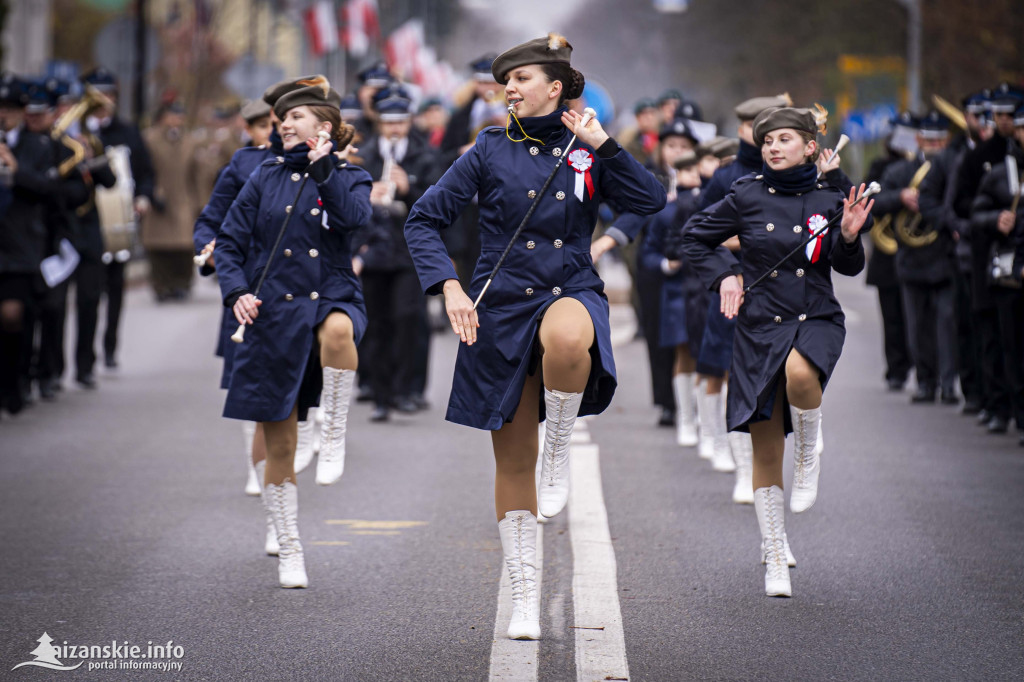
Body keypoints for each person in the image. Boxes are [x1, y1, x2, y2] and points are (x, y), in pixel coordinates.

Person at [404, 33, 665, 639]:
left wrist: (605, 146)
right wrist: (449, 286)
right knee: (512, 458)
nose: (510, 89)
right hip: (499, 305)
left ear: (555, 87)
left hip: (568, 285)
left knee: (570, 339)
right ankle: (524, 593)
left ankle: (561, 446)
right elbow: (424, 219)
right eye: (507, 81)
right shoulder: (488, 148)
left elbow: (651, 200)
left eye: (521, 79)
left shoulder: (588, 148)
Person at [681, 107, 873, 597]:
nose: (772, 147)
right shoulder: (746, 194)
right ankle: (773, 551)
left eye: (784, 138)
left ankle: (808, 454)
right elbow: (694, 237)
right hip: (761, 324)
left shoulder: (830, 197)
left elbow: (847, 267)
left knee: (801, 376)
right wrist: (726, 275)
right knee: (764, 445)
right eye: (767, 140)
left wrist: (850, 236)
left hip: (816, 316)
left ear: (810, 146)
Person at [215, 76, 372, 588]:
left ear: (323, 126)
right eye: (281, 119)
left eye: (295, 117)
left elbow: (354, 220)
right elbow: (230, 243)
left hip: (330, 295)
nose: (283, 124)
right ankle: (289, 547)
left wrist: (324, 168)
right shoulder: (263, 175)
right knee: (279, 444)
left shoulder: (350, 175)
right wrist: (237, 292)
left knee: (339, 332)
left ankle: (334, 434)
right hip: (272, 314)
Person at [692, 94, 792, 473]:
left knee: (772, 370)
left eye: (772, 128)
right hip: (732, 281)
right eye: (754, 127)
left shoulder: (789, 173)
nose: (763, 135)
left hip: (776, 286)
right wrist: (742, 247)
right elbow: (701, 231)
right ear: (740, 129)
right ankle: (721, 443)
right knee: (722, 366)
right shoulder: (726, 176)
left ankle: (785, 441)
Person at [353, 84, 438, 421]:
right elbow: (346, 203)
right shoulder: (363, 156)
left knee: (407, 319)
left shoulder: (424, 155)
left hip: (409, 252)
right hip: (372, 252)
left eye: (400, 122)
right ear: (379, 123)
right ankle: (380, 394)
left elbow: (439, 202)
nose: (394, 128)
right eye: (388, 122)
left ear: (409, 122)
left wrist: (409, 189)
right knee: (375, 322)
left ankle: (405, 390)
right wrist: (366, 198)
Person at [874, 112, 957, 404]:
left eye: (939, 140)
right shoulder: (900, 171)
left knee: (947, 324)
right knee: (917, 327)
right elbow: (874, 202)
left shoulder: (954, 167)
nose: (934, 145)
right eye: (929, 140)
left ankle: (949, 383)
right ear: (919, 139)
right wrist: (900, 197)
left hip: (945, 258)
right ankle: (925, 382)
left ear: (946, 140)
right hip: (912, 259)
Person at [83, 67, 155, 369]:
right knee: (88, 293)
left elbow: (145, 172)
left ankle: (110, 346)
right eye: (97, 94)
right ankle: (84, 358)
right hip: (84, 220)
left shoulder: (127, 131)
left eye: (109, 94)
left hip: (117, 223)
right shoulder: (77, 132)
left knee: (115, 288)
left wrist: (143, 198)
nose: (103, 100)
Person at [973, 105, 1024, 444]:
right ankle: (1017, 414)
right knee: (1012, 345)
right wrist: (995, 220)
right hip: (1010, 272)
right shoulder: (1001, 173)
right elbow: (975, 215)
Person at [865, 113, 916, 393]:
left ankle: (927, 370)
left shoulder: (927, 165)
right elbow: (867, 201)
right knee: (893, 317)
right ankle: (896, 369)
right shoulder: (880, 166)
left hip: (921, 251)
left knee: (921, 317)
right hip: (888, 254)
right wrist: (899, 197)